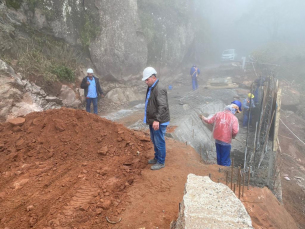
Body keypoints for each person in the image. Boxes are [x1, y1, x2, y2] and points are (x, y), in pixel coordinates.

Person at [142, 67, 170, 170]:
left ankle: (161, 162)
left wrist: (157, 120)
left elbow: (162, 106)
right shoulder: (152, 87)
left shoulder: (159, 88)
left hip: (159, 121)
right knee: (154, 140)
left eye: (147, 79)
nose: (146, 82)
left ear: (153, 77)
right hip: (153, 120)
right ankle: (157, 157)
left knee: (159, 141)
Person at [199, 102, 240, 166]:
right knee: (225, 158)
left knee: (219, 155)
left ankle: (219, 168)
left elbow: (209, 121)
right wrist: (233, 136)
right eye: (236, 112)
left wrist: (203, 117)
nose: (235, 113)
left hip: (217, 139)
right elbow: (235, 131)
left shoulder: (218, 114)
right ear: (234, 110)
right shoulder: (234, 118)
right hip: (226, 141)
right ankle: (224, 171)